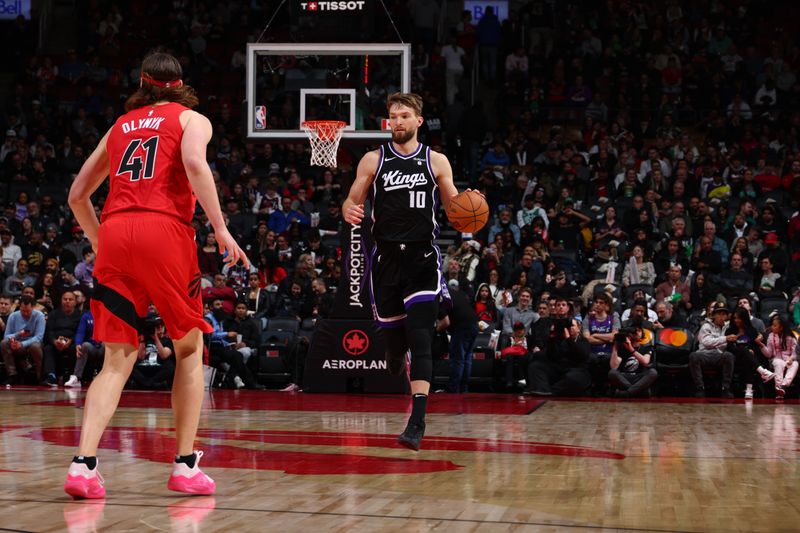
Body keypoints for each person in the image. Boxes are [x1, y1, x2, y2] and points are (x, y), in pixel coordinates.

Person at [64, 52, 249, 499]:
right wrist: (221, 228)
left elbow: (76, 196)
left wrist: (100, 242)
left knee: (116, 358)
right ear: (180, 84)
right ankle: (185, 465)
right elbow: (195, 164)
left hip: (115, 231)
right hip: (164, 232)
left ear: (143, 84)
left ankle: (83, 465)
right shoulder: (191, 119)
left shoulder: (119, 126)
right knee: (189, 347)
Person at [342, 92, 468, 451]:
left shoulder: (436, 160)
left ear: (418, 121)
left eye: (403, 115)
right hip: (385, 260)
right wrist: (349, 209)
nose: (396, 121)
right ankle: (394, 353)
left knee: (421, 337)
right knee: (395, 342)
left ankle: (417, 422)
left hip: (422, 259)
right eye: (392, 116)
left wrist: (467, 209)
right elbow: (352, 200)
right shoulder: (373, 160)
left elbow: (453, 206)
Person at [524, 316, 592, 396]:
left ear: (579, 328)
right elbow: (551, 356)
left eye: (572, 326)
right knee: (536, 366)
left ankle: (551, 390)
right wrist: (552, 338)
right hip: (559, 369)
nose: (570, 328)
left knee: (572, 377)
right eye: (568, 327)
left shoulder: (583, 341)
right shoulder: (559, 340)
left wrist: (568, 339)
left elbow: (582, 355)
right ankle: (543, 390)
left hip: (577, 370)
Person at [688, 302, 735, 399]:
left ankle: (725, 388)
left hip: (720, 355)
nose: (721, 317)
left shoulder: (729, 327)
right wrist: (725, 339)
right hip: (705, 354)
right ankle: (699, 388)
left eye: (724, 314)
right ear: (713, 315)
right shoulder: (706, 326)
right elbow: (706, 342)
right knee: (694, 356)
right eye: (719, 314)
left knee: (729, 356)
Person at [0, 294, 45, 385]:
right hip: (18, 343)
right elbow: (6, 336)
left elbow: (39, 337)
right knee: (4, 343)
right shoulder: (13, 316)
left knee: (35, 346)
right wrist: (17, 335)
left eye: (28, 311)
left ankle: (40, 375)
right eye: (23, 310)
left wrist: (22, 344)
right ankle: (12, 375)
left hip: (33, 344)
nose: (25, 313)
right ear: (19, 307)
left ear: (33, 307)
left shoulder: (39, 316)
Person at [41, 290, 82, 386]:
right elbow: (49, 331)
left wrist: (71, 341)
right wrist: (55, 341)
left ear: (75, 302)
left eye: (70, 299)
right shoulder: (53, 314)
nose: (67, 301)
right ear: (61, 301)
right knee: (48, 348)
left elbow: (80, 332)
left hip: (72, 343)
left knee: (76, 349)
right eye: (65, 299)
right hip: (56, 342)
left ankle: (71, 376)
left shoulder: (80, 315)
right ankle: (51, 376)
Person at [608, 326, 658, 398]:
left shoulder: (646, 348)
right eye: (635, 331)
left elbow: (645, 361)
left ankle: (626, 394)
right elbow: (614, 367)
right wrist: (615, 348)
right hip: (625, 377)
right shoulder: (622, 348)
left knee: (653, 372)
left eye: (639, 331)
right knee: (612, 372)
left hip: (639, 378)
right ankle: (640, 392)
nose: (637, 333)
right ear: (629, 335)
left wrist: (631, 349)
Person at [756, 315, 797, 399]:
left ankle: (783, 386)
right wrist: (761, 345)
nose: (772, 327)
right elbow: (769, 354)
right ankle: (778, 387)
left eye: (774, 325)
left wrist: (791, 359)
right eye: (772, 325)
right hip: (777, 359)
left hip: (789, 360)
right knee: (778, 363)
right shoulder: (771, 336)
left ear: (781, 327)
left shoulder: (791, 337)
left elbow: (795, 352)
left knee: (796, 364)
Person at [64, 308, 104, 388]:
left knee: (107, 345)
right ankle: (77, 378)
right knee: (84, 345)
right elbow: (80, 332)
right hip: (92, 347)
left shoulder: (108, 316)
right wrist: (78, 344)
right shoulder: (86, 316)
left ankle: (107, 379)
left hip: (104, 346)